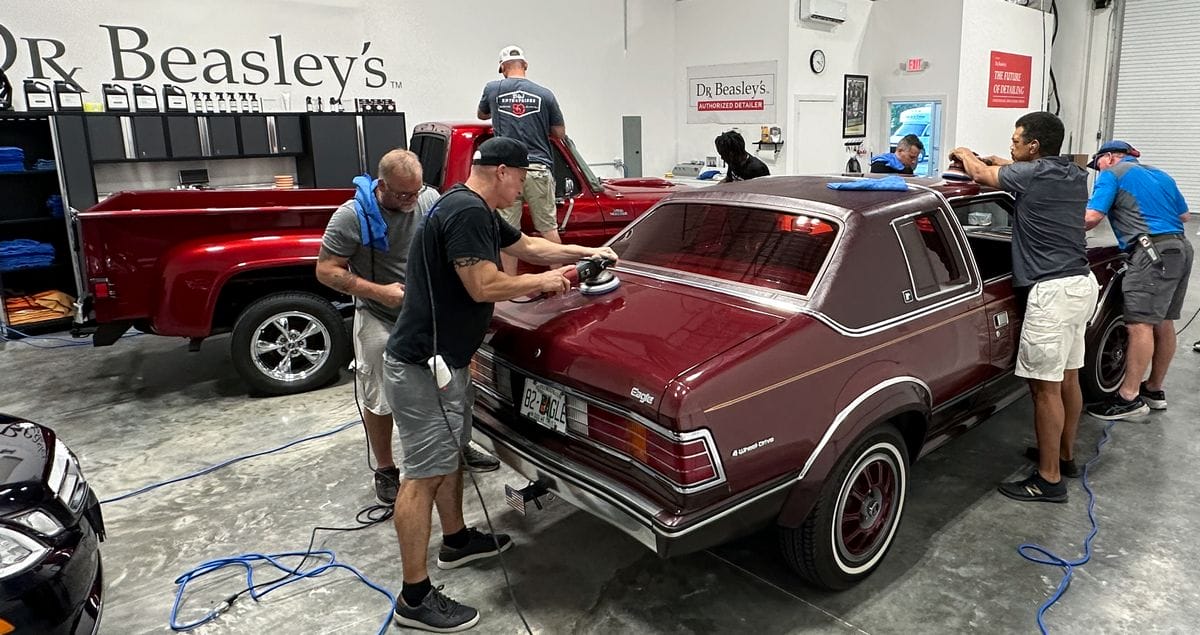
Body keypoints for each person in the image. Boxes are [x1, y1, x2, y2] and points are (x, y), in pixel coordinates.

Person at [384, 137, 618, 631]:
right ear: (502, 172)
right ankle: (414, 597)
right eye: (523, 178)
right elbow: (483, 285)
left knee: (448, 457)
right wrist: (547, 282)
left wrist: (586, 251)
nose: (526, 188)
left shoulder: (471, 204)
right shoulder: (467, 212)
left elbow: (528, 245)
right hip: (424, 366)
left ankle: (456, 540)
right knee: (423, 474)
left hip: (446, 362)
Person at [316, 150, 500, 506]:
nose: (411, 200)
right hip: (380, 314)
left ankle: (458, 450)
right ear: (382, 185)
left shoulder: (429, 199)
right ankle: (386, 468)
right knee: (380, 394)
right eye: (403, 195)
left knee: (454, 389)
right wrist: (377, 292)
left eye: (416, 192)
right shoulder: (351, 216)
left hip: (427, 317)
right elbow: (326, 270)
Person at [952, 111, 1098, 504]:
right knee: (1069, 378)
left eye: (1016, 141)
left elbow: (981, 177)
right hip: (1080, 285)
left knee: (1043, 390)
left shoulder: (1031, 175)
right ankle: (1064, 456)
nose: (1011, 146)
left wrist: (965, 153)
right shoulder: (1071, 173)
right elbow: (1010, 169)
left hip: (1050, 293)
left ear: (1033, 146)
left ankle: (1048, 480)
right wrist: (1001, 160)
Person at [1082, 141, 1192, 419]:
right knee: (1163, 321)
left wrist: (1054, 221)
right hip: (1179, 248)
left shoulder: (1113, 174)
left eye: (1098, 166)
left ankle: (1128, 398)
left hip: (1151, 252)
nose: (1098, 172)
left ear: (1109, 157)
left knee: (1139, 324)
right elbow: (1184, 215)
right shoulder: (1160, 174)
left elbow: (1092, 217)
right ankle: (1153, 390)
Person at [478, 44, 566, 275]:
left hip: (506, 171)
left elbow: (482, 114)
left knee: (509, 233)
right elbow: (559, 133)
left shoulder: (493, 89)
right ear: (525, 65)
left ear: (502, 68)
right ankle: (560, 280)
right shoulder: (545, 94)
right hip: (537, 168)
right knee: (548, 228)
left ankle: (509, 284)